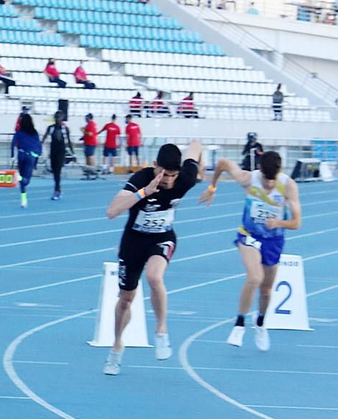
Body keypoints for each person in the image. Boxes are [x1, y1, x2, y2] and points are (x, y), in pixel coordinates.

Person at [102, 140, 204, 375]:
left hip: (163, 238)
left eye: (172, 175)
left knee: (154, 277)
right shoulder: (141, 178)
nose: (167, 180)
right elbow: (111, 211)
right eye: (163, 174)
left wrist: (206, 172)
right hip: (134, 243)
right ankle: (117, 346)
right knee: (126, 298)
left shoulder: (186, 178)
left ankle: (161, 331)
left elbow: (196, 145)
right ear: (155, 165)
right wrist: (144, 192)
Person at [200, 150, 302, 352]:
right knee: (254, 278)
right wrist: (212, 187)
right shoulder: (247, 178)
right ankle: (239, 325)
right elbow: (221, 163)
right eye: (266, 179)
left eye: (273, 180)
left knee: (265, 290)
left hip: (273, 239)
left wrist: (278, 222)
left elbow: (297, 223)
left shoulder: (288, 186)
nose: (269, 185)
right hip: (249, 235)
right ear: (259, 171)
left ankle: (261, 323)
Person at [10, 111, 41, 208]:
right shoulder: (34, 133)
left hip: (21, 155)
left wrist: (12, 156)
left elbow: (12, 144)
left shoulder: (19, 133)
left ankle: (24, 200)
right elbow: (39, 147)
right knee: (26, 180)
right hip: (30, 156)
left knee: (22, 180)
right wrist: (36, 160)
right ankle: (18, 177)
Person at [44, 110, 70, 201]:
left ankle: (57, 190)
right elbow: (44, 138)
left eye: (59, 117)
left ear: (62, 118)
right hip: (53, 152)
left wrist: (72, 153)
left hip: (61, 152)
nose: (57, 119)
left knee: (58, 171)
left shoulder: (64, 129)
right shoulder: (50, 128)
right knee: (54, 172)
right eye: (56, 117)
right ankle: (57, 188)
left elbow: (68, 141)